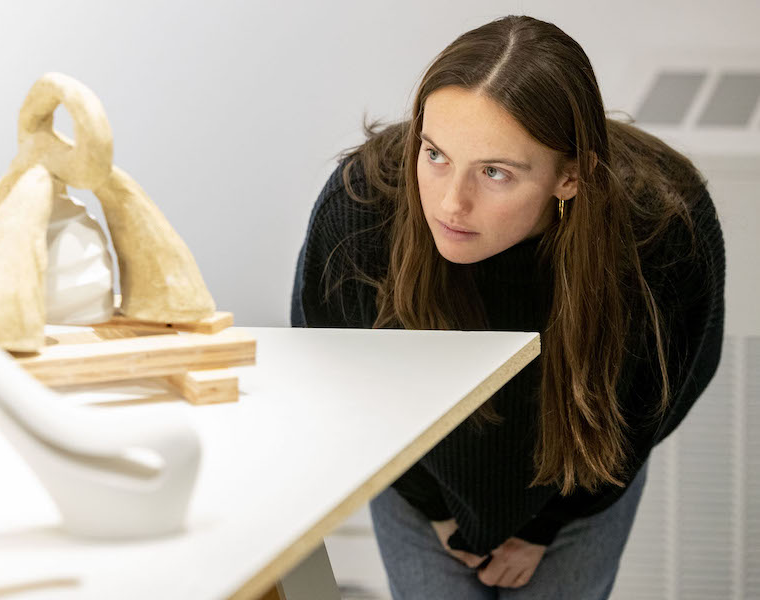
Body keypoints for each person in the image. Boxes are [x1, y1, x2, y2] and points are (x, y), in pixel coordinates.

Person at [290, 14, 725, 599]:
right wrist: (431, 509)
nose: (450, 203)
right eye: (435, 153)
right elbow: (336, 371)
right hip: (417, 478)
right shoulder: (362, 205)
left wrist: (546, 528)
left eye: (495, 172)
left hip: (585, 484)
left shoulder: (664, 224)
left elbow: (661, 394)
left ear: (570, 177)